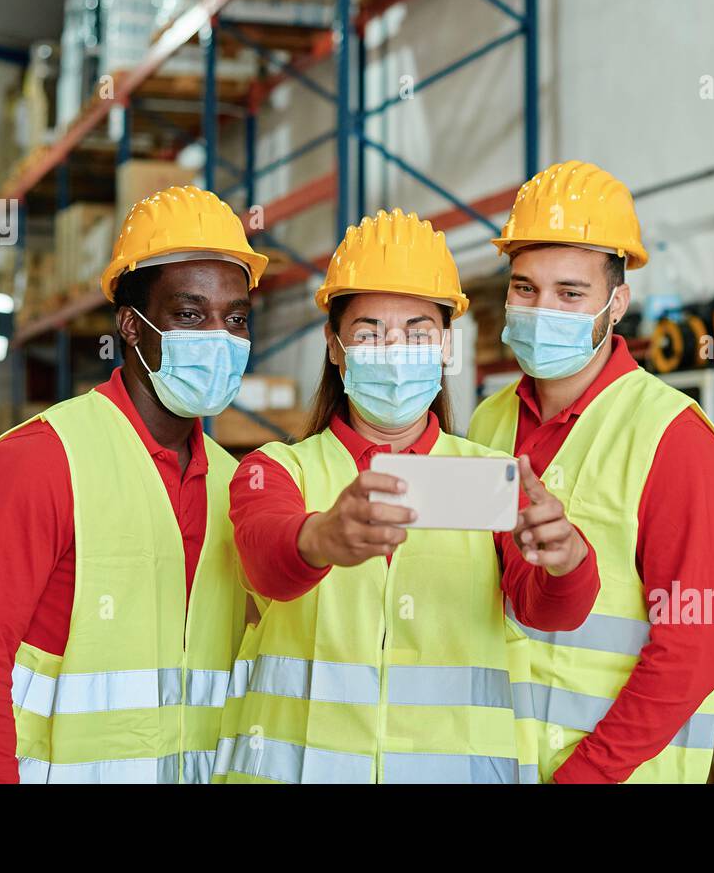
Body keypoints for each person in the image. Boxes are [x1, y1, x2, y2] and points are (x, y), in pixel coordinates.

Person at [215, 208, 600, 784]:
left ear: (446, 344)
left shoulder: (490, 479)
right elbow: (266, 561)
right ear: (334, 346)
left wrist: (568, 561)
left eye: (417, 331)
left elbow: (547, 613)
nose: (393, 349)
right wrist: (318, 537)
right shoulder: (276, 471)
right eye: (368, 332)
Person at [0, 184, 268, 783]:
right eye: (190, 314)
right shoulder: (40, 461)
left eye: (235, 317)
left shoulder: (231, 483)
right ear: (130, 327)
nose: (218, 337)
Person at [468, 161, 714, 784]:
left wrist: (583, 776)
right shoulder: (486, 425)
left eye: (571, 293)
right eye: (525, 288)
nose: (543, 309)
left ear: (617, 303)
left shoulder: (673, 436)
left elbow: (694, 648)